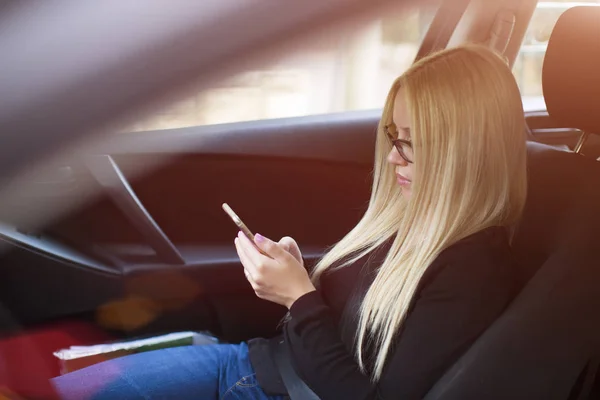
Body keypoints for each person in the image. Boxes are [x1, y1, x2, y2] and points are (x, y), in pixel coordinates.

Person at [51, 44, 527, 400]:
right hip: (252, 362)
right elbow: (358, 315)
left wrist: (299, 298)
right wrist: (297, 275)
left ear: (463, 150)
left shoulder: (473, 270)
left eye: (412, 141)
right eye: (392, 136)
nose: (394, 157)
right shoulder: (417, 217)